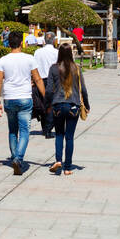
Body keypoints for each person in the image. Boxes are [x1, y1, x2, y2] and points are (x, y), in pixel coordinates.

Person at [0, 29, 45, 175]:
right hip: (24, 98)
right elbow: (37, 79)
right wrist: (45, 96)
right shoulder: (29, 58)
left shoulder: (3, 60)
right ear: (21, 43)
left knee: (12, 130)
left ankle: (14, 157)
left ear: (9, 43)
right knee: (24, 131)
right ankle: (18, 158)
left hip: (9, 98)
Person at [44, 44, 90, 175]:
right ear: (71, 54)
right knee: (69, 137)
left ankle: (58, 160)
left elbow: (48, 90)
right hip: (73, 106)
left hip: (58, 105)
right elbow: (84, 90)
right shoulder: (76, 68)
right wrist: (87, 105)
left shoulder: (54, 68)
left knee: (59, 134)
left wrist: (47, 104)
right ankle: (68, 167)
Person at [33, 35, 60, 139]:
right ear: (54, 41)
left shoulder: (37, 52)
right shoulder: (56, 52)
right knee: (52, 104)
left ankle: (45, 127)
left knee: (43, 103)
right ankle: (49, 127)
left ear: (44, 40)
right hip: (52, 80)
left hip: (40, 80)